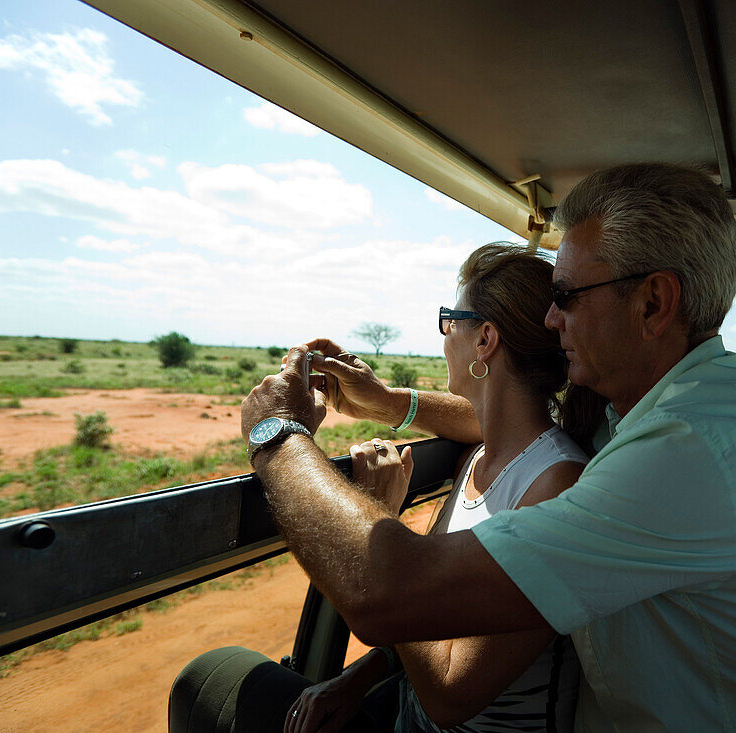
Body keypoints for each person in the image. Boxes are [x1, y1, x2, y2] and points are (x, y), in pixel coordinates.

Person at [229, 163, 736, 730]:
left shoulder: (683, 455)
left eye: (567, 297)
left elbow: (389, 596)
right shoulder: (675, 410)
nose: (552, 319)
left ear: (653, 302)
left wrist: (276, 435)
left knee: (217, 683)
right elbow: (512, 427)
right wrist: (394, 404)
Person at [171, 244, 592, 732]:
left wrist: (383, 522)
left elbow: (451, 694)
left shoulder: (556, 486)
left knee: (206, 681)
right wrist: (357, 678)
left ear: (485, 340)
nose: (443, 337)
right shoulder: (483, 455)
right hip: (405, 713)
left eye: (448, 319)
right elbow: (446, 617)